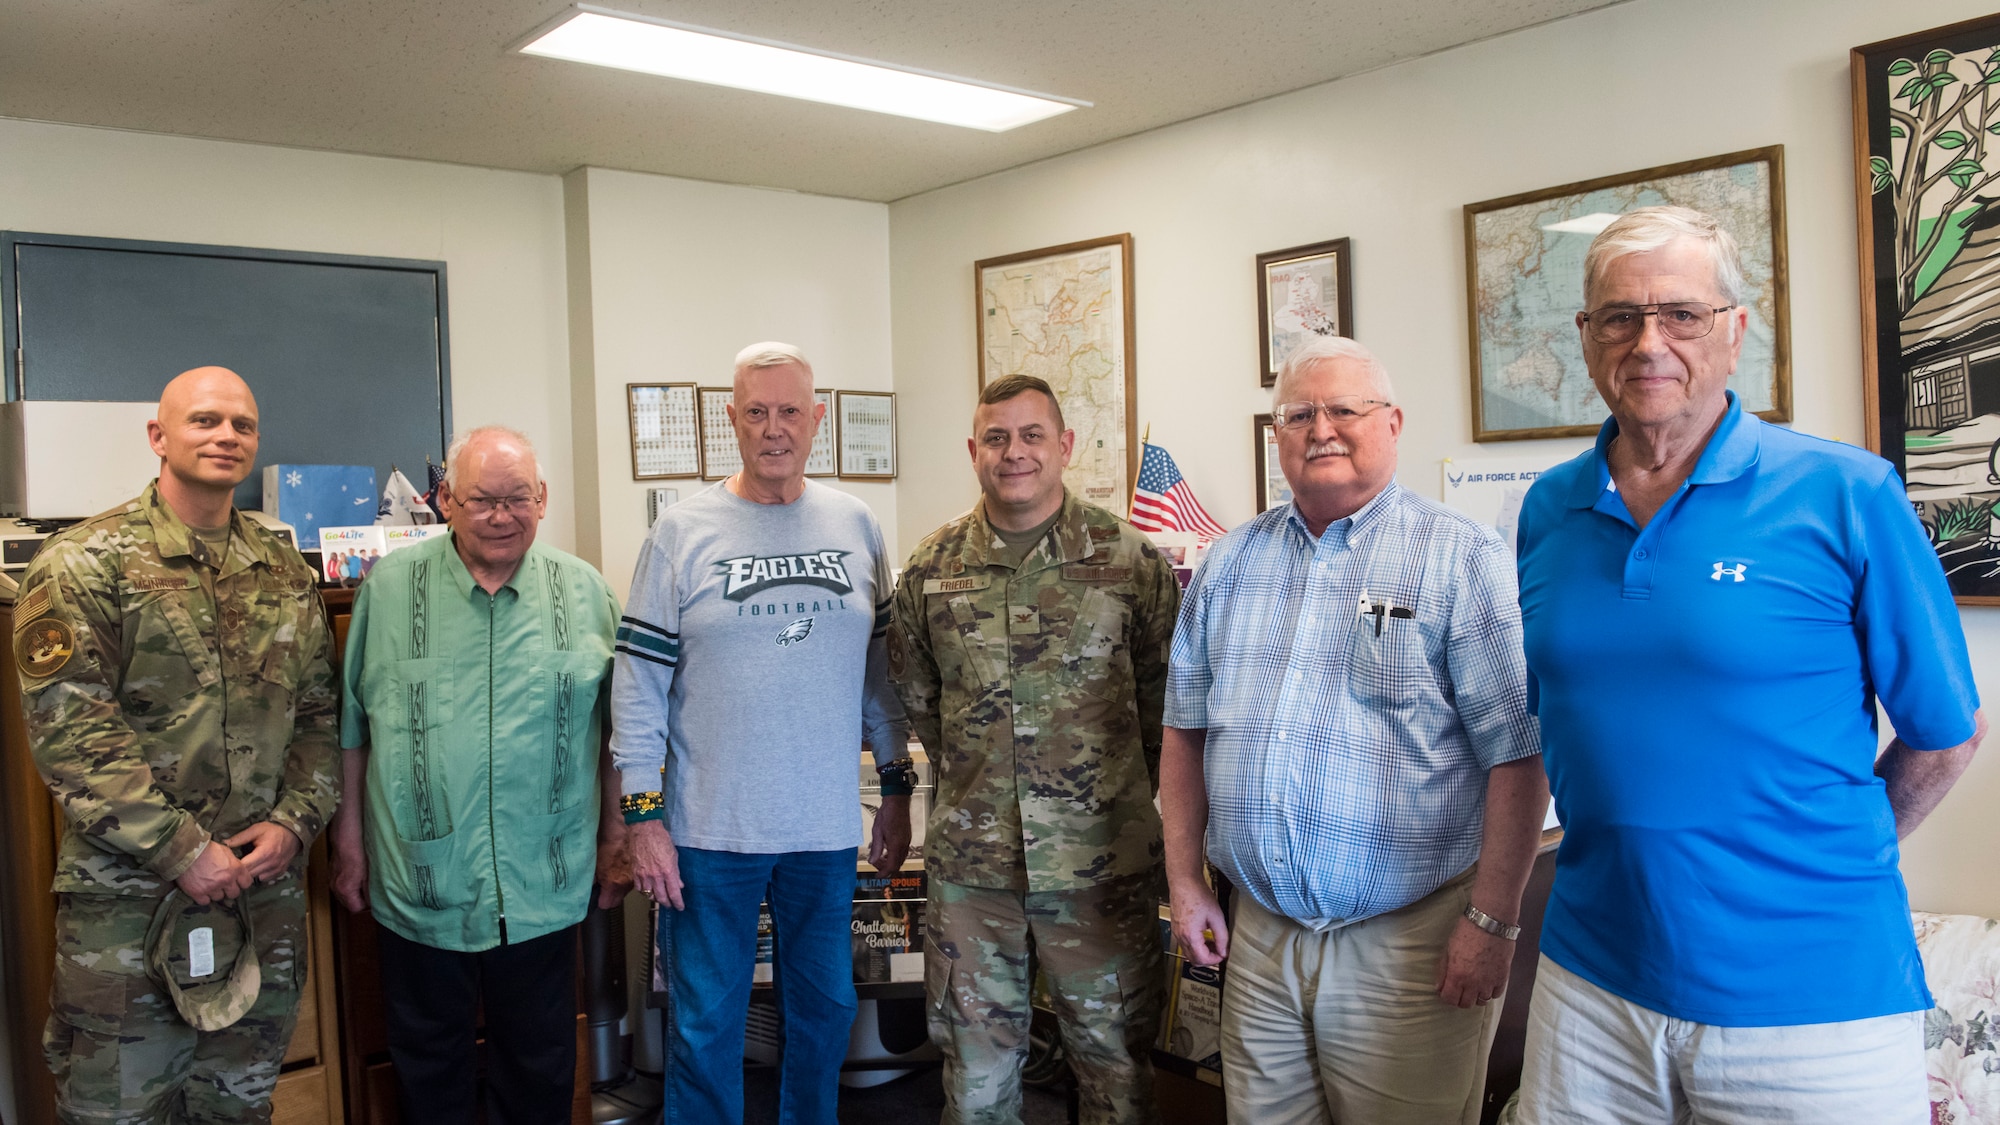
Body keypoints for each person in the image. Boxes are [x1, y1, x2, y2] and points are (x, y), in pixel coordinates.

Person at [1509, 205, 1986, 1124]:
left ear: (1734, 331)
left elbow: (1946, 734)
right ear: (1584, 336)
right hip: (1590, 983)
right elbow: (1557, 722)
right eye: (1620, 316)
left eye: (1681, 314)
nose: (1649, 342)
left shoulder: (1846, 493)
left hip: (1811, 997)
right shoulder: (1547, 510)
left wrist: (1825, 857)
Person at [1161, 336, 1546, 1125]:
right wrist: (1186, 880)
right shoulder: (1230, 562)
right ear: (1277, 436)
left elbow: (1519, 754)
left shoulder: (1460, 558)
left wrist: (1493, 922)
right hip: (1259, 938)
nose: (1321, 428)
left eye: (1345, 408)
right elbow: (1184, 734)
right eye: (1299, 413)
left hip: (1413, 942)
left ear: (1394, 422)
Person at [18, 366, 340, 1122]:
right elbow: (73, 733)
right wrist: (181, 849)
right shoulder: (83, 564)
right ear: (159, 436)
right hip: (128, 912)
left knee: (239, 1108)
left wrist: (296, 822)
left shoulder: (284, 571)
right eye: (204, 420)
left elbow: (319, 718)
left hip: (259, 903)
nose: (227, 435)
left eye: (243, 425)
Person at [613, 342, 910, 1124]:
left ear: (817, 420)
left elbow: (880, 673)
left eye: (789, 412)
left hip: (822, 827)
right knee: (706, 1024)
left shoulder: (857, 523)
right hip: (710, 828)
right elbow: (636, 688)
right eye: (756, 412)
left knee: (825, 1012)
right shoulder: (680, 533)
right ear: (731, 420)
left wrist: (897, 783)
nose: (773, 429)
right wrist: (643, 819)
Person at [890, 374, 1181, 1124]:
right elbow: (922, 701)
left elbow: (1166, 708)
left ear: (1065, 446)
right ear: (973, 450)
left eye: (1031, 435)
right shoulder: (931, 569)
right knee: (976, 1078)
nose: (1013, 452)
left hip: (1101, 869)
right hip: (974, 876)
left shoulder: (1130, 561)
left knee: (1115, 1071)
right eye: (996, 437)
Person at [331, 425, 630, 1122]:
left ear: (543, 498)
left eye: (517, 497)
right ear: (445, 501)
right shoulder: (390, 588)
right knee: (429, 1067)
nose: (502, 514)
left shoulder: (586, 592)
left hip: (546, 881)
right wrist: (347, 842)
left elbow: (621, 732)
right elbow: (352, 727)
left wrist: (620, 835)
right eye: (482, 499)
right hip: (421, 879)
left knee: (541, 1066)